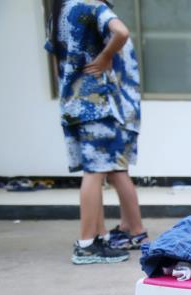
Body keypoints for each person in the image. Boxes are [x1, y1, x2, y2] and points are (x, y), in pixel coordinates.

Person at [46, 0, 138, 264]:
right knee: (95, 173)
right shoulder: (91, 5)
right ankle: (87, 243)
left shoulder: (58, 11)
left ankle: (98, 238)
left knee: (93, 171)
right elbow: (121, 31)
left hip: (72, 102)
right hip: (95, 102)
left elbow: (56, 60)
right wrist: (106, 56)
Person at [104, 11, 147, 251]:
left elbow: (122, 34)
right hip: (126, 106)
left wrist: (103, 56)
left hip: (120, 108)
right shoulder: (109, 19)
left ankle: (137, 230)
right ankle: (127, 226)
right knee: (119, 169)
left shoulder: (104, 19)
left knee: (117, 170)